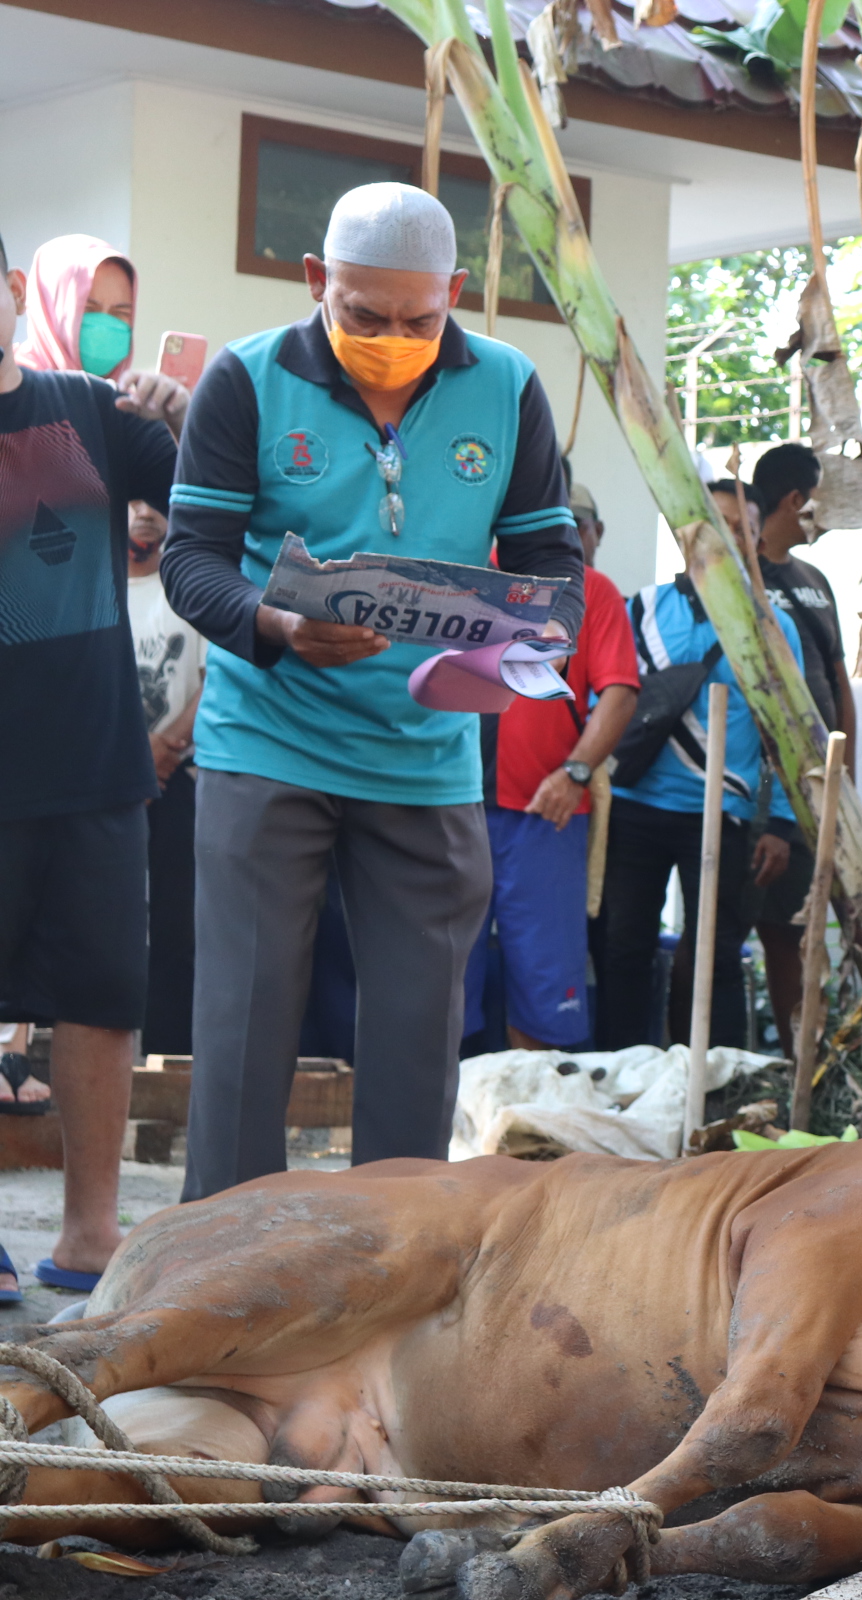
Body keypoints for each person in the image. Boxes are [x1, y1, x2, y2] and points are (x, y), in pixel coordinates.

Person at [161, 182, 584, 1202]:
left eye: (419, 318)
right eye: (363, 314)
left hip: (426, 755)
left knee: (417, 1036)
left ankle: (389, 1274)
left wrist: (496, 657)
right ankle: (220, 1275)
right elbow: (193, 559)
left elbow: (550, 574)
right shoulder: (248, 382)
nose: (393, 337)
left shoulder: (510, 387)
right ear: (318, 282)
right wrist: (279, 626)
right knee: (243, 1030)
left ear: (456, 292)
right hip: (269, 745)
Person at [0, 227, 181, 1297]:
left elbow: (210, 490)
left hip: (97, 760)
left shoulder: (86, 409)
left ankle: (90, 1235)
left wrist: (182, 408)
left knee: (105, 997)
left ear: (14, 290)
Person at [595, 478, 802, 1051]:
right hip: (634, 809)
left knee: (714, 956)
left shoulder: (772, 628)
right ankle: (624, 1076)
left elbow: (788, 735)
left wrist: (781, 825)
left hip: (721, 816)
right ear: (687, 535)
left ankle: (720, 1086)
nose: (729, 538)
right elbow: (602, 701)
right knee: (623, 948)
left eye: (743, 529)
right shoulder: (639, 611)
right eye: (717, 525)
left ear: (758, 543)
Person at [464, 478, 638, 1050]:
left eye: (574, 523)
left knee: (544, 999)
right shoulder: (468, 575)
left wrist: (577, 772)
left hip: (544, 812)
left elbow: (619, 692)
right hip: (448, 810)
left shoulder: (593, 592)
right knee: (435, 987)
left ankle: (534, 1132)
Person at [742, 442, 856, 1048]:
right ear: (795, 499)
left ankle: (811, 1050)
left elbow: (839, 680)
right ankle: (778, 1056)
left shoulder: (815, 582)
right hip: (762, 780)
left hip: (823, 779)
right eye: (817, 501)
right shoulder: (740, 575)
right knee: (772, 925)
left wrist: (848, 776)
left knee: (810, 922)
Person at [128, 496, 204, 1059]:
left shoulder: (185, 587)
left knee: (178, 931)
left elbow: (210, 678)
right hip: (104, 778)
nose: (144, 514)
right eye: (131, 501)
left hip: (176, 778)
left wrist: (163, 750)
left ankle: (168, 1056)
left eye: (154, 501)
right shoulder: (97, 586)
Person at [13, 234, 186, 440]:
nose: (104, 327)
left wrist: (179, 422)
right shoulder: (12, 394)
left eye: (120, 313)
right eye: (88, 309)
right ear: (49, 311)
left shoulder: (128, 408)